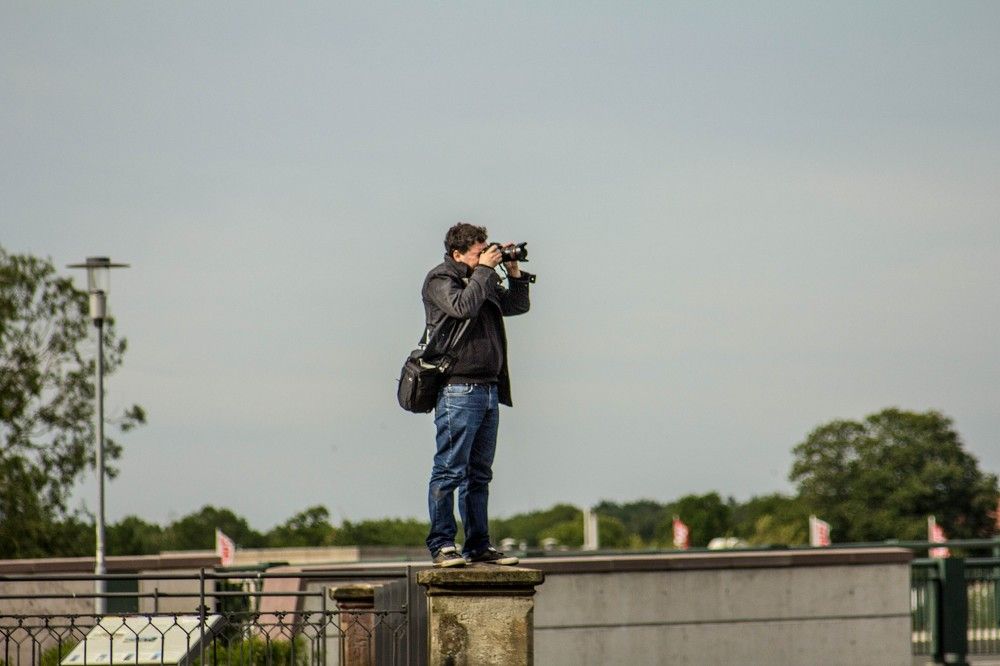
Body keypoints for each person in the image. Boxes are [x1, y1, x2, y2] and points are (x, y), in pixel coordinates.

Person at [422, 222, 535, 567]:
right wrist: (485, 269)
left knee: (479, 474)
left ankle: (478, 546)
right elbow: (463, 307)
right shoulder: (441, 279)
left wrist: (513, 271)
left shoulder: (481, 279)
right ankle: (442, 544)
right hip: (458, 388)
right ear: (458, 254)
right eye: (478, 251)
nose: (485, 255)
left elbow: (516, 307)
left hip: (487, 390)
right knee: (449, 469)